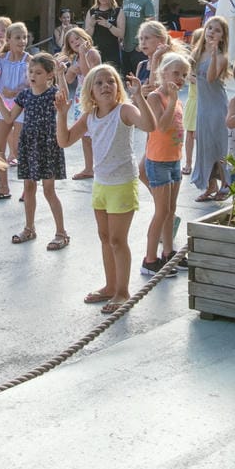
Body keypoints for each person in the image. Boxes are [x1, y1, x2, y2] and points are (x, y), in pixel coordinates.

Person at [55, 63, 145, 314]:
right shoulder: (90, 116)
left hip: (123, 184)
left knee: (117, 240)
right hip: (101, 184)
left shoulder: (124, 110)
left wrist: (138, 97)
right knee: (105, 238)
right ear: (90, 91)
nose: (106, 86)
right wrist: (62, 114)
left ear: (118, 87)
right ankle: (110, 286)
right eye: (99, 83)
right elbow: (64, 141)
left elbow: (149, 126)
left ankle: (122, 292)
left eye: (111, 81)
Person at [0, 51, 69, 250]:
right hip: (29, 143)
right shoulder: (25, 95)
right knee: (29, 188)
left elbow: (64, 98)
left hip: (47, 144)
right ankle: (29, 228)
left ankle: (61, 233)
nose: (32, 75)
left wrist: (62, 75)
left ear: (49, 75)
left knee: (48, 190)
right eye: (30, 71)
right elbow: (9, 118)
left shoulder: (52, 93)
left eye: (38, 72)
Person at [136, 49, 190, 276]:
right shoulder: (156, 97)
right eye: (176, 73)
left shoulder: (174, 98)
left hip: (174, 159)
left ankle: (169, 253)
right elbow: (162, 126)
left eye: (184, 75)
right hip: (158, 161)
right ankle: (150, 259)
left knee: (171, 209)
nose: (180, 78)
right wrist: (173, 101)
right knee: (161, 211)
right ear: (163, 73)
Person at [189, 17, 233, 202]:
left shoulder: (222, 57)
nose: (211, 32)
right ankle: (210, 186)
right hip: (202, 106)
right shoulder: (197, 53)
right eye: (209, 28)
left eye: (217, 30)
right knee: (205, 147)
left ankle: (226, 184)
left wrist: (214, 55)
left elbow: (210, 78)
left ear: (222, 37)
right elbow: (190, 75)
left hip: (216, 106)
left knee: (220, 146)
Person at [0, 22, 31, 200]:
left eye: (24, 37)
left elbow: (33, 85)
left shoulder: (28, 60)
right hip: (4, 106)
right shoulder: (1, 60)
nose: (22, 41)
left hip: (21, 107)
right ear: (9, 40)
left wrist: (16, 92)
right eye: (18, 37)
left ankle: (28, 188)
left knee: (19, 149)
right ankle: (3, 186)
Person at [59, 26, 100, 178]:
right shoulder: (75, 58)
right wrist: (69, 70)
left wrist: (82, 54)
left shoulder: (92, 53)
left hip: (94, 96)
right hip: (80, 98)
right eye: (71, 41)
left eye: (78, 38)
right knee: (85, 134)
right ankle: (89, 168)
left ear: (85, 38)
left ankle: (100, 165)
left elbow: (90, 74)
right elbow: (69, 80)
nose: (76, 42)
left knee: (97, 132)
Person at [118, 0, 158, 79]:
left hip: (138, 47)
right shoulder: (126, 0)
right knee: (127, 79)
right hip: (126, 46)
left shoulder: (147, 0)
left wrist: (141, 47)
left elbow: (151, 25)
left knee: (140, 79)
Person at [86, 0, 123, 68]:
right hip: (95, 51)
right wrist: (91, 25)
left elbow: (121, 34)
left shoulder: (118, 11)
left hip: (112, 51)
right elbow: (87, 36)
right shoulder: (91, 11)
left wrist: (108, 25)